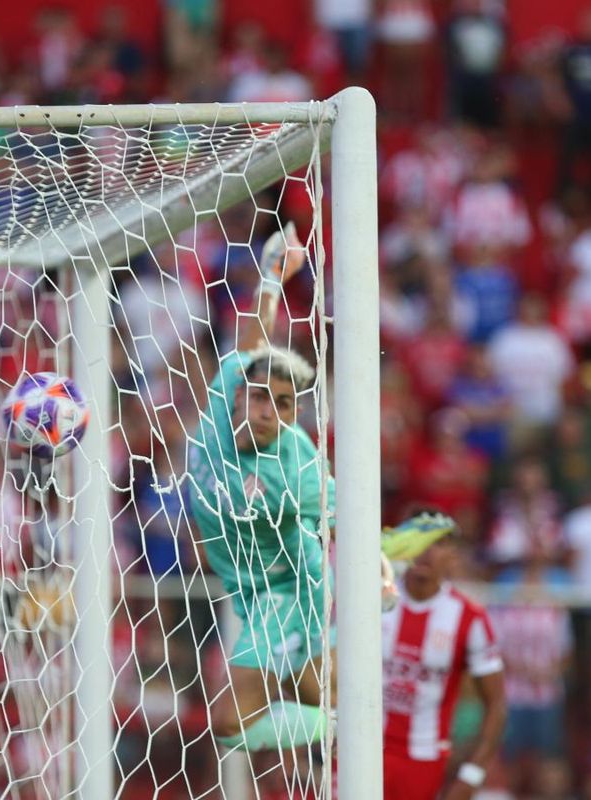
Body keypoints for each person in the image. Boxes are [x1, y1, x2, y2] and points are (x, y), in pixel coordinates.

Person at [190, 223, 332, 752]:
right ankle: (339, 722)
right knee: (312, 694)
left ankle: (341, 729)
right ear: (239, 397)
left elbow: (337, 521)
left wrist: (379, 573)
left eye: (285, 404)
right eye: (260, 397)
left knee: (229, 724)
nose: (268, 411)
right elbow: (252, 343)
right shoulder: (219, 411)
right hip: (247, 595)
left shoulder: (297, 466)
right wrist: (272, 276)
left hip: (285, 594)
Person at [382, 513, 507, 800]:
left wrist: (472, 775)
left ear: (453, 556)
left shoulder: (469, 618)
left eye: (438, 543)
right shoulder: (369, 599)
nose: (426, 551)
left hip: (421, 761)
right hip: (356, 749)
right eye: (418, 540)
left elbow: (496, 704)